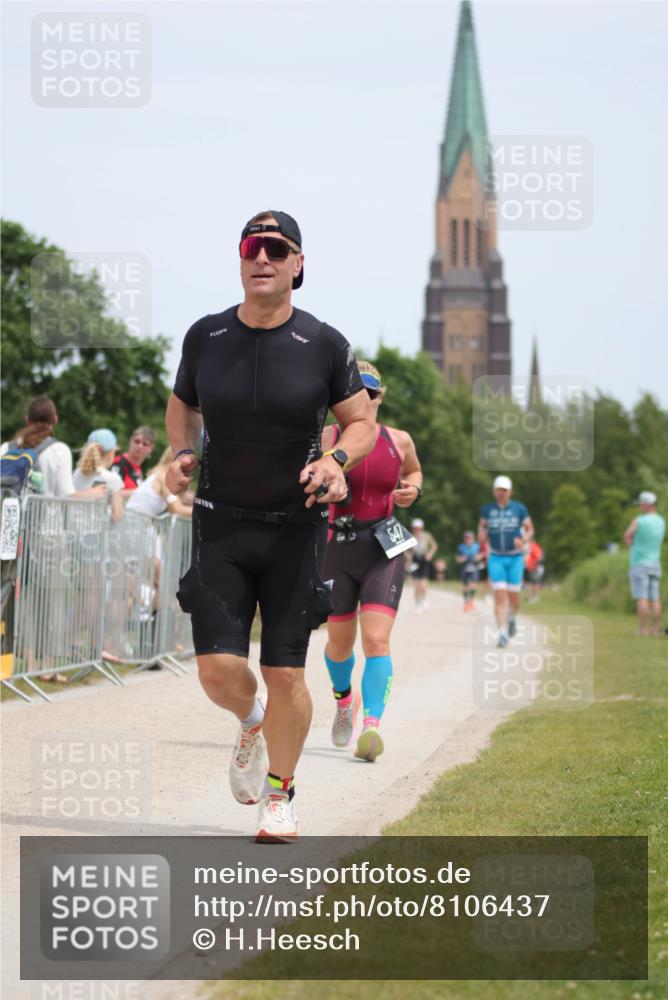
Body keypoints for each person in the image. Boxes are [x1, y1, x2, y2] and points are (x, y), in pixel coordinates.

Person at [164, 210, 375, 842]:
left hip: (294, 527)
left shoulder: (326, 343)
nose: (263, 257)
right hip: (219, 524)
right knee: (217, 673)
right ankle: (251, 718)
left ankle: (280, 796)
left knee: (287, 672)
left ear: (298, 264)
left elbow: (361, 424)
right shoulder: (205, 336)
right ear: (240, 258)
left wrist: (337, 460)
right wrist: (181, 454)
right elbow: (182, 410)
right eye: (253, 247)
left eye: (277, 249)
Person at [321, 360, 423, 763]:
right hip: (336, 548)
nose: (366, 400)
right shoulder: (326, 437)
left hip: (383, 545)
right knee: (338, 645)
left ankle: (372, 726)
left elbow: (414, 473)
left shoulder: (399, 440)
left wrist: (412, 490)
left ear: (381, 398)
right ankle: (345, 701)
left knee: (377, 640)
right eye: (357, 393)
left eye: (372, 393)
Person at [1, 396, 106, 501]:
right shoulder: (59, 450)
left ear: (27, 419)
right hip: (46, 517)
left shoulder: (6, 447)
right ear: (55, 419)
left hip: (11, 516)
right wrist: (92, 493)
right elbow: (66, 494)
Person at [478, 475, 534, 648]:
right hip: (496, 557)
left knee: (514, 597)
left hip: (516, 557)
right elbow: (481, 528)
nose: (501, 493)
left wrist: (524, 540)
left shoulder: (519, 509)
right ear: (494, 491)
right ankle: (502, 634)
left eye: (505, 490)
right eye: (498, 490)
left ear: (510, 492)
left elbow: (530, 529)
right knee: (500, 594)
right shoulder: (487, 510)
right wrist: (482, 535)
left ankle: (512, 618)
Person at [624, 491, 665, 637]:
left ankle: (644, 630)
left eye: (641, 504)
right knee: (655, 597)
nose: (640, 507)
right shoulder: (661, 521)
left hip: (640, 563)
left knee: (642, 597)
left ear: (648, 505)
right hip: (655, 563)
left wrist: (632, 546)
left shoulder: (639, 521)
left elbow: (627, 536)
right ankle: (655, 629)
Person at [73, 429, 124, 523]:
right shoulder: (113, 478)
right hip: (98, 534)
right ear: (111, 453)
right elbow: (117, 516)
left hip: (72, 533)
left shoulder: (77, 473)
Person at [112, 426, 155, 497]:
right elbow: (112, 493)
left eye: (145, 444)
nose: (140, 446)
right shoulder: (119, 463)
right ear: (130, 441)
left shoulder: (138, 469)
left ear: (151, 448)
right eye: (137, 441)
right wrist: (143, 490)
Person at [409, 518, 438, 612]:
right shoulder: (409, 536)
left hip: (424, 560)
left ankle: (424, 598)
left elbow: (434, 546)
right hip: (415, 560)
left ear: (421, 528)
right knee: (417, 585)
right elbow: (406, 550)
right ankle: (418, 604)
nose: (417, 530)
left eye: (418, 528)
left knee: (423, 585)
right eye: (415, 528)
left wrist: (430, 554)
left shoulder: (426, 536)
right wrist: (408, 561)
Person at [455, 530, 483, 611]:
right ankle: (465, 601)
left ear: (472, 538)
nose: (468, 540)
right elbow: (457, 558)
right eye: (466, 538)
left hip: (474, 566)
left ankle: (471, 601)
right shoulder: (461, 547)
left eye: (470, 538)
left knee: (473, 584)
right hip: (464, 567)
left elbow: (481, 555)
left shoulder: (477, 546)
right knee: (465, 586)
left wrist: (477, 558)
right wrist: (462, 559)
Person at [524, 538, 545, 604]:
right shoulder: (529, 547)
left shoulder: (534, 546)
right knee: (529, 583)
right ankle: (530, 597)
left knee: (534, 583)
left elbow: (539, 557)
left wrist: (535, 563)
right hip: (527, 567)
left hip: (533, 567)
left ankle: (535, 597)